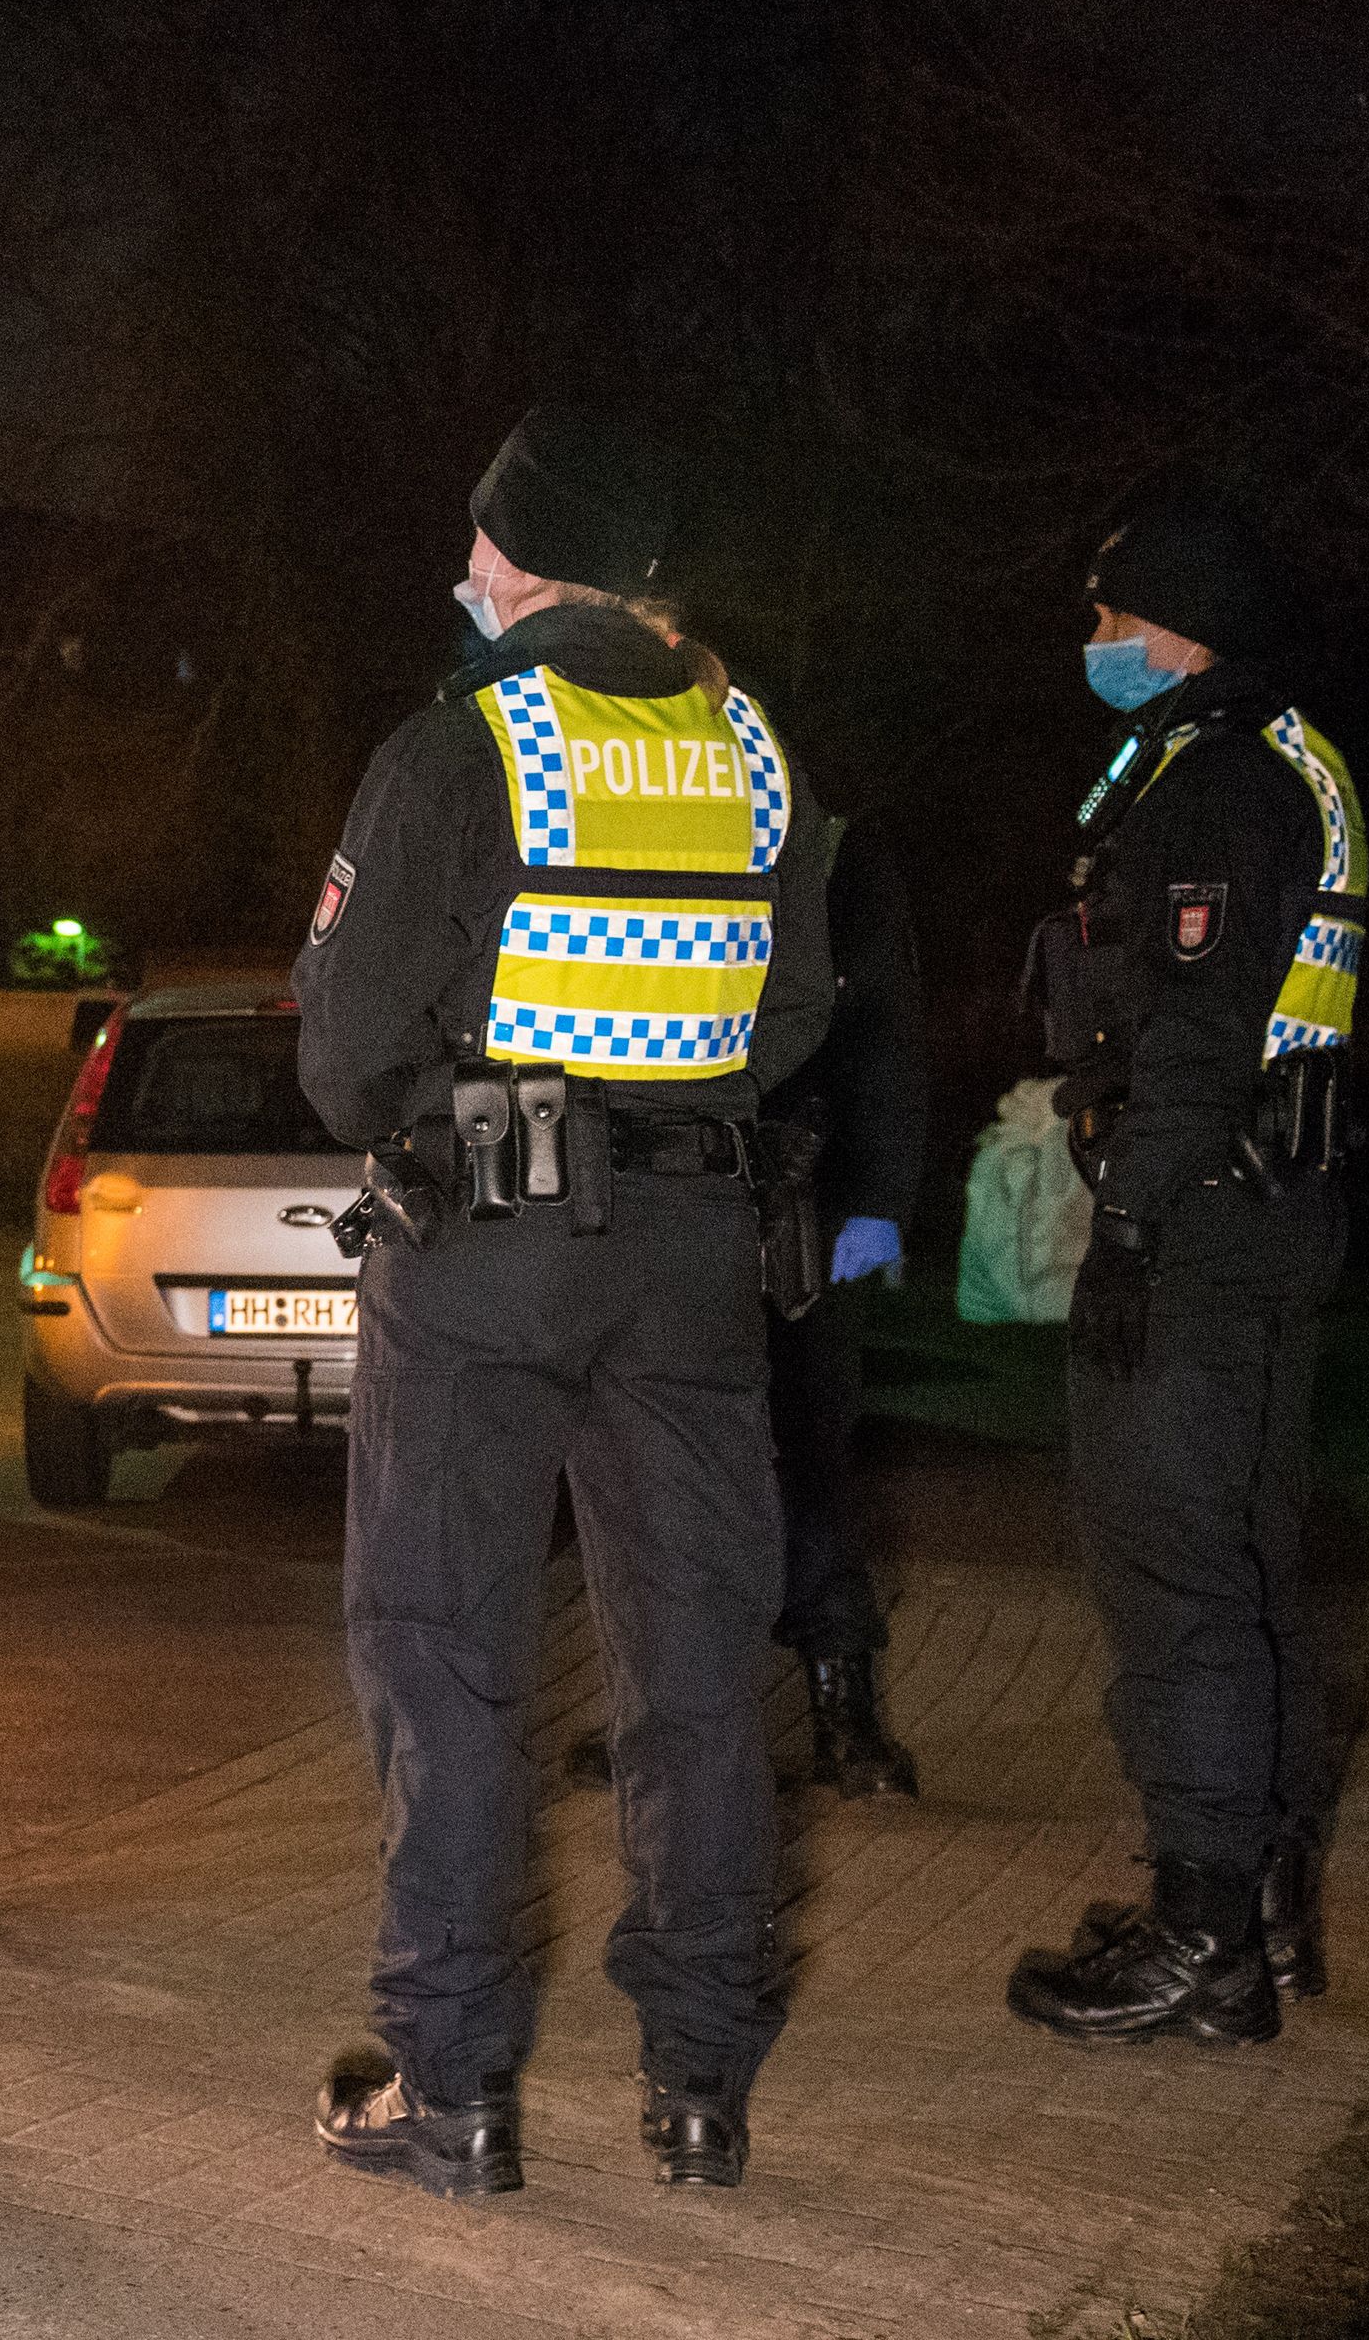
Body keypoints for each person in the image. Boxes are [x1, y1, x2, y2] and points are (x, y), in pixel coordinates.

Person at [292, 406, 833, 2199]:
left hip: (488, 1249)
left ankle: (452, 2084)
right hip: (694, 1259)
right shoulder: (750, 745)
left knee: (447, 1655)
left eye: (478, 548)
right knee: (694, 1667)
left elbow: (347, 1049)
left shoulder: (468, 742)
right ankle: (699, 2085)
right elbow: (797, 1016)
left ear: (511, 561)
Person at [1004, 497, 1364, 2047]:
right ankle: (1263, 1903)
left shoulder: (1214, 786)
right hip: (1279, 1212)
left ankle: (1201, 1937)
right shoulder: (1294, 759)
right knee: (1253, 1569)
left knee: (1175, 1579)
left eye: (1110, 620)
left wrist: (1129, 1216)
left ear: (1179, 629)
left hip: (1199, 1222)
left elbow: (1198, 1038)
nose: (1093, 645)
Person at [762, 812, 930, 1798]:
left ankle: (844, 1710)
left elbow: (888, 1033)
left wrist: (877, 1202)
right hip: (676, 1206)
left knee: (811, 1462)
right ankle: (667, 1716)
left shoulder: (831, 850)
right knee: (675, 1478)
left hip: (804, 1201)